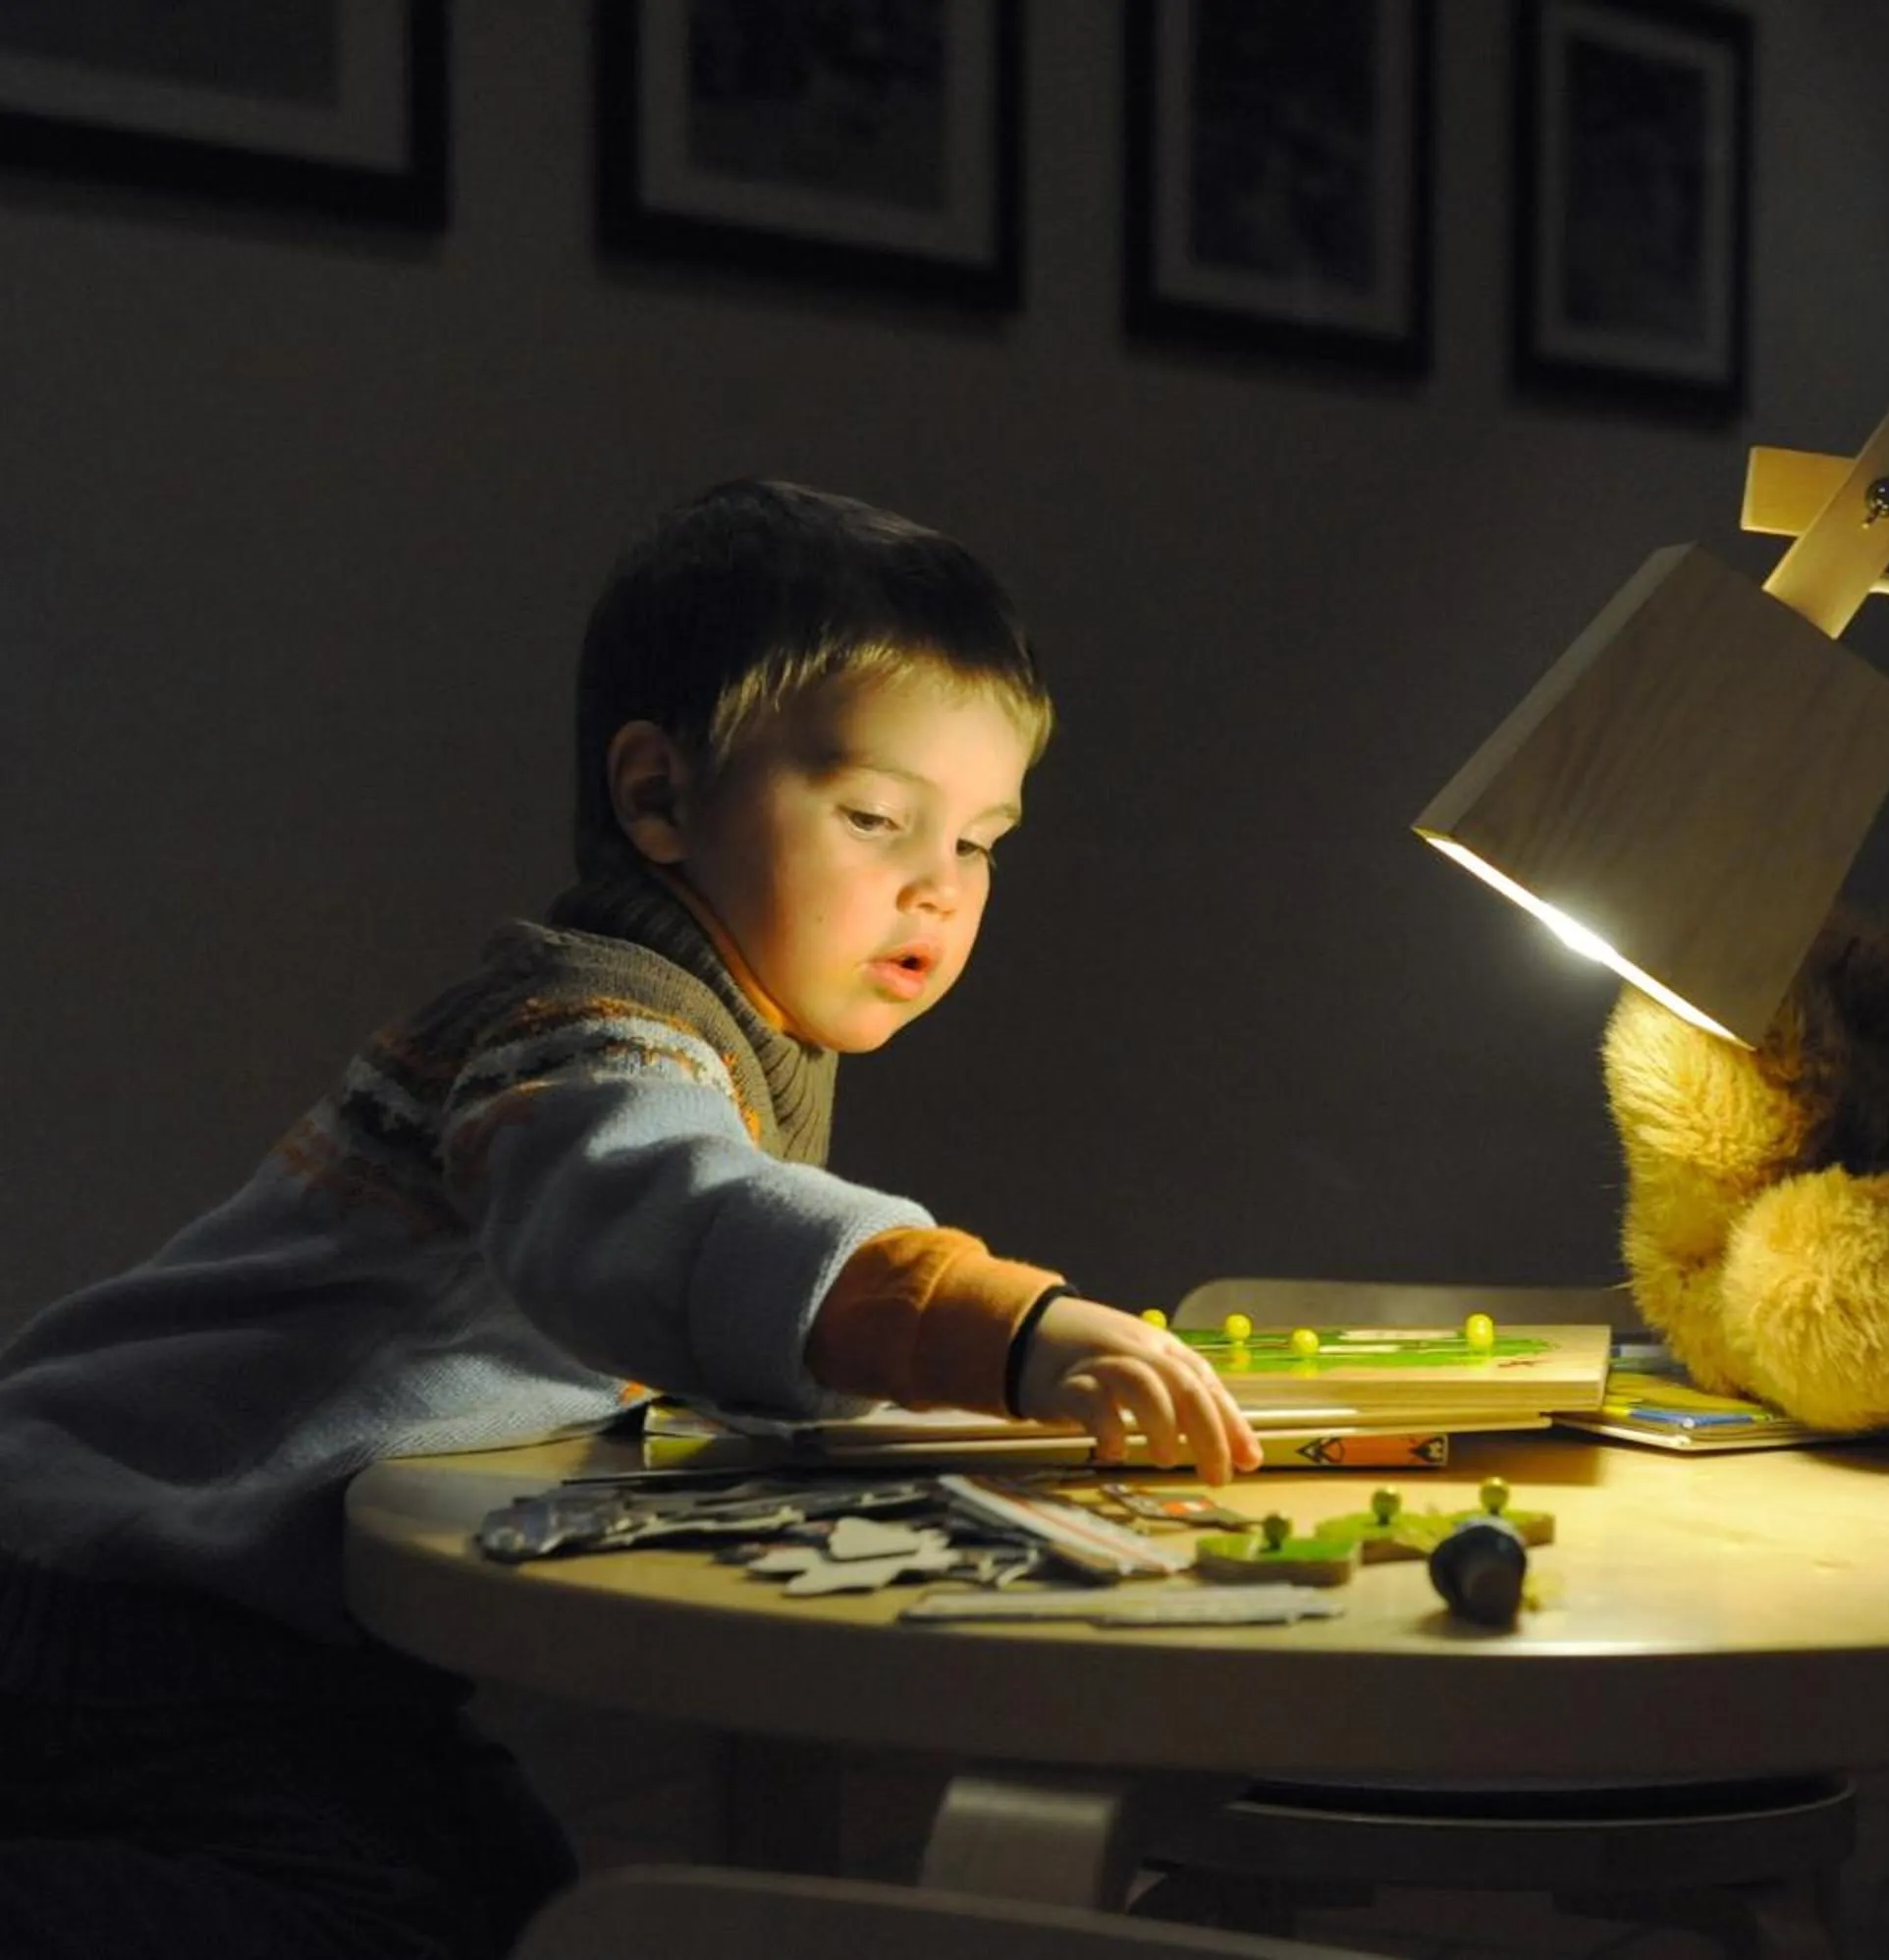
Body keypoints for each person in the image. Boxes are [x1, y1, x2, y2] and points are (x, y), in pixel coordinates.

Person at [0, 479, 1261, 1959]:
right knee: (400, 1923)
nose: (938, 887)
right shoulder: (590, 1032)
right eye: (877, 817)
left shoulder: (707, 1038)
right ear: (658, 796)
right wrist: (1007, 1329)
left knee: (514, 1901)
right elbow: (674, 1216)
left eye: (981, 841)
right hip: (110, 1596)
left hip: (208, 1607)